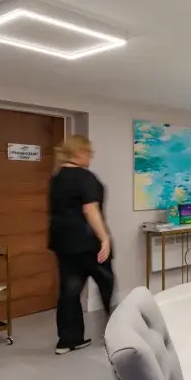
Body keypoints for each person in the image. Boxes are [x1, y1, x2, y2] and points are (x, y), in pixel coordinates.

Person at [48, 135, 115, 355]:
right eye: (89, 152)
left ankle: (67, 340)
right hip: (87, 244)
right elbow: (90, 210)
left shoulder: (56, 178)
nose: (91, 157)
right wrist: (104, 238)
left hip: (63, 244)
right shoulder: (85, 178)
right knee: (106, 284)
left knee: (69, 291)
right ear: (79, 153)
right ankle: (115, 334)